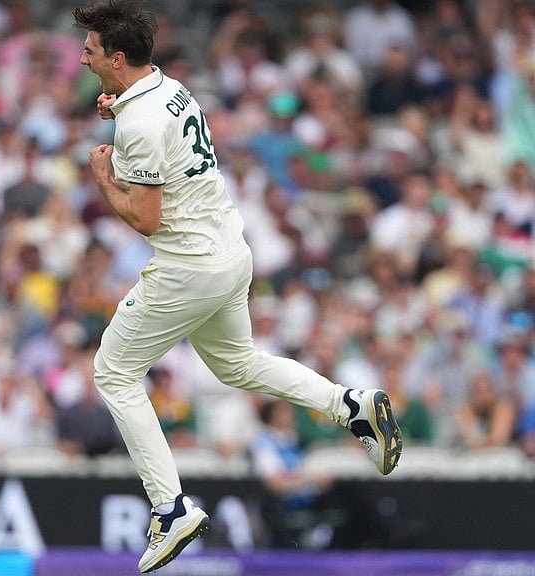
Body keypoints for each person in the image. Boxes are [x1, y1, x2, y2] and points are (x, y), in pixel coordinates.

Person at [72, 1, 403, 572]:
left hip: (188, 265)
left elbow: (145, 219)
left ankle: (170, 507)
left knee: (113, 371)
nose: (82, 56)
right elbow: (155, 140)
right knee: (237, 364)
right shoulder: (166, 88)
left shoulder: (138, 121)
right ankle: (349, 404)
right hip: (229, 251)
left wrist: (104, 177)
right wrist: (117, 117)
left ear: (117, 58)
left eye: (91, 49)